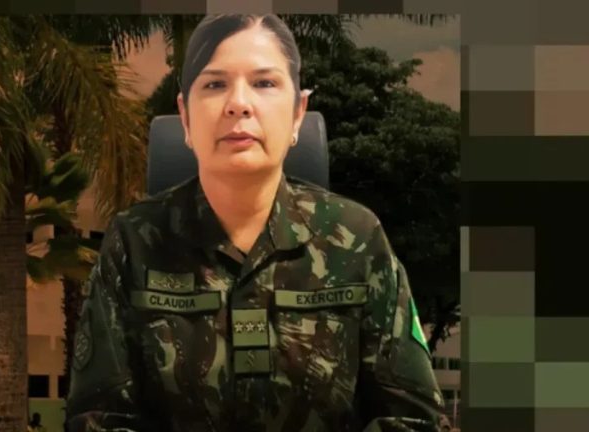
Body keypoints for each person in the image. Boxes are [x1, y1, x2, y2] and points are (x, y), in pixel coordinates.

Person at [66, 14, 444, 432]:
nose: (238, 103)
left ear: (298, 113)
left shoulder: (356, 238)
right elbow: (96, 419)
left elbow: (413, 418)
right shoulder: (134, 242)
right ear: (185, 117)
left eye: (264, 83)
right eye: (215, 84)